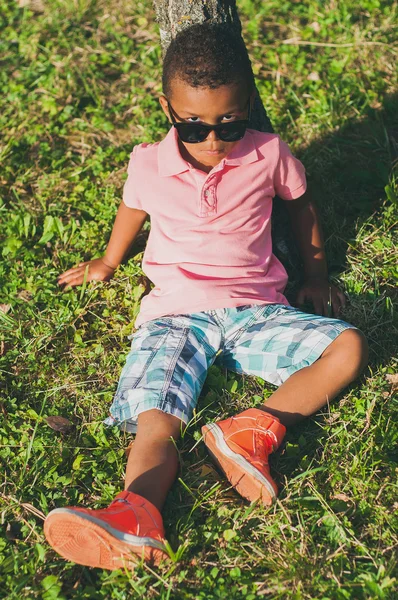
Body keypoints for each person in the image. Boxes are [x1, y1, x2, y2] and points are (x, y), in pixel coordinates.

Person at [44, 23, 368, 571]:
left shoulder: (269, 154)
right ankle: (137, 511)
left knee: (349, 347)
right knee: (157, 413)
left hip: (257, 310)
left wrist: (315, 274)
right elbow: (133, 210)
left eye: (229, 123)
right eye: (194, 126)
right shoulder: (147, 162)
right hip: (173, 315)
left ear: (247, 105)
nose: (213, 140)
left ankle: (251, 430)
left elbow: (302, 208)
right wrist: (108, 261)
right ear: (168, 107)